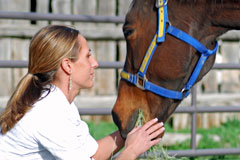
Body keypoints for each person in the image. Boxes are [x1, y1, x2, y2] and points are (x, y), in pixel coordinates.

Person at [0, 25, 165, 160]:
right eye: (88, 56)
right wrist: (132, 151)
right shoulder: (49, 113)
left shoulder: (60, 103)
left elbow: (93, 154)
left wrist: (129, 131)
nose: (95, 63)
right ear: (67, 65)